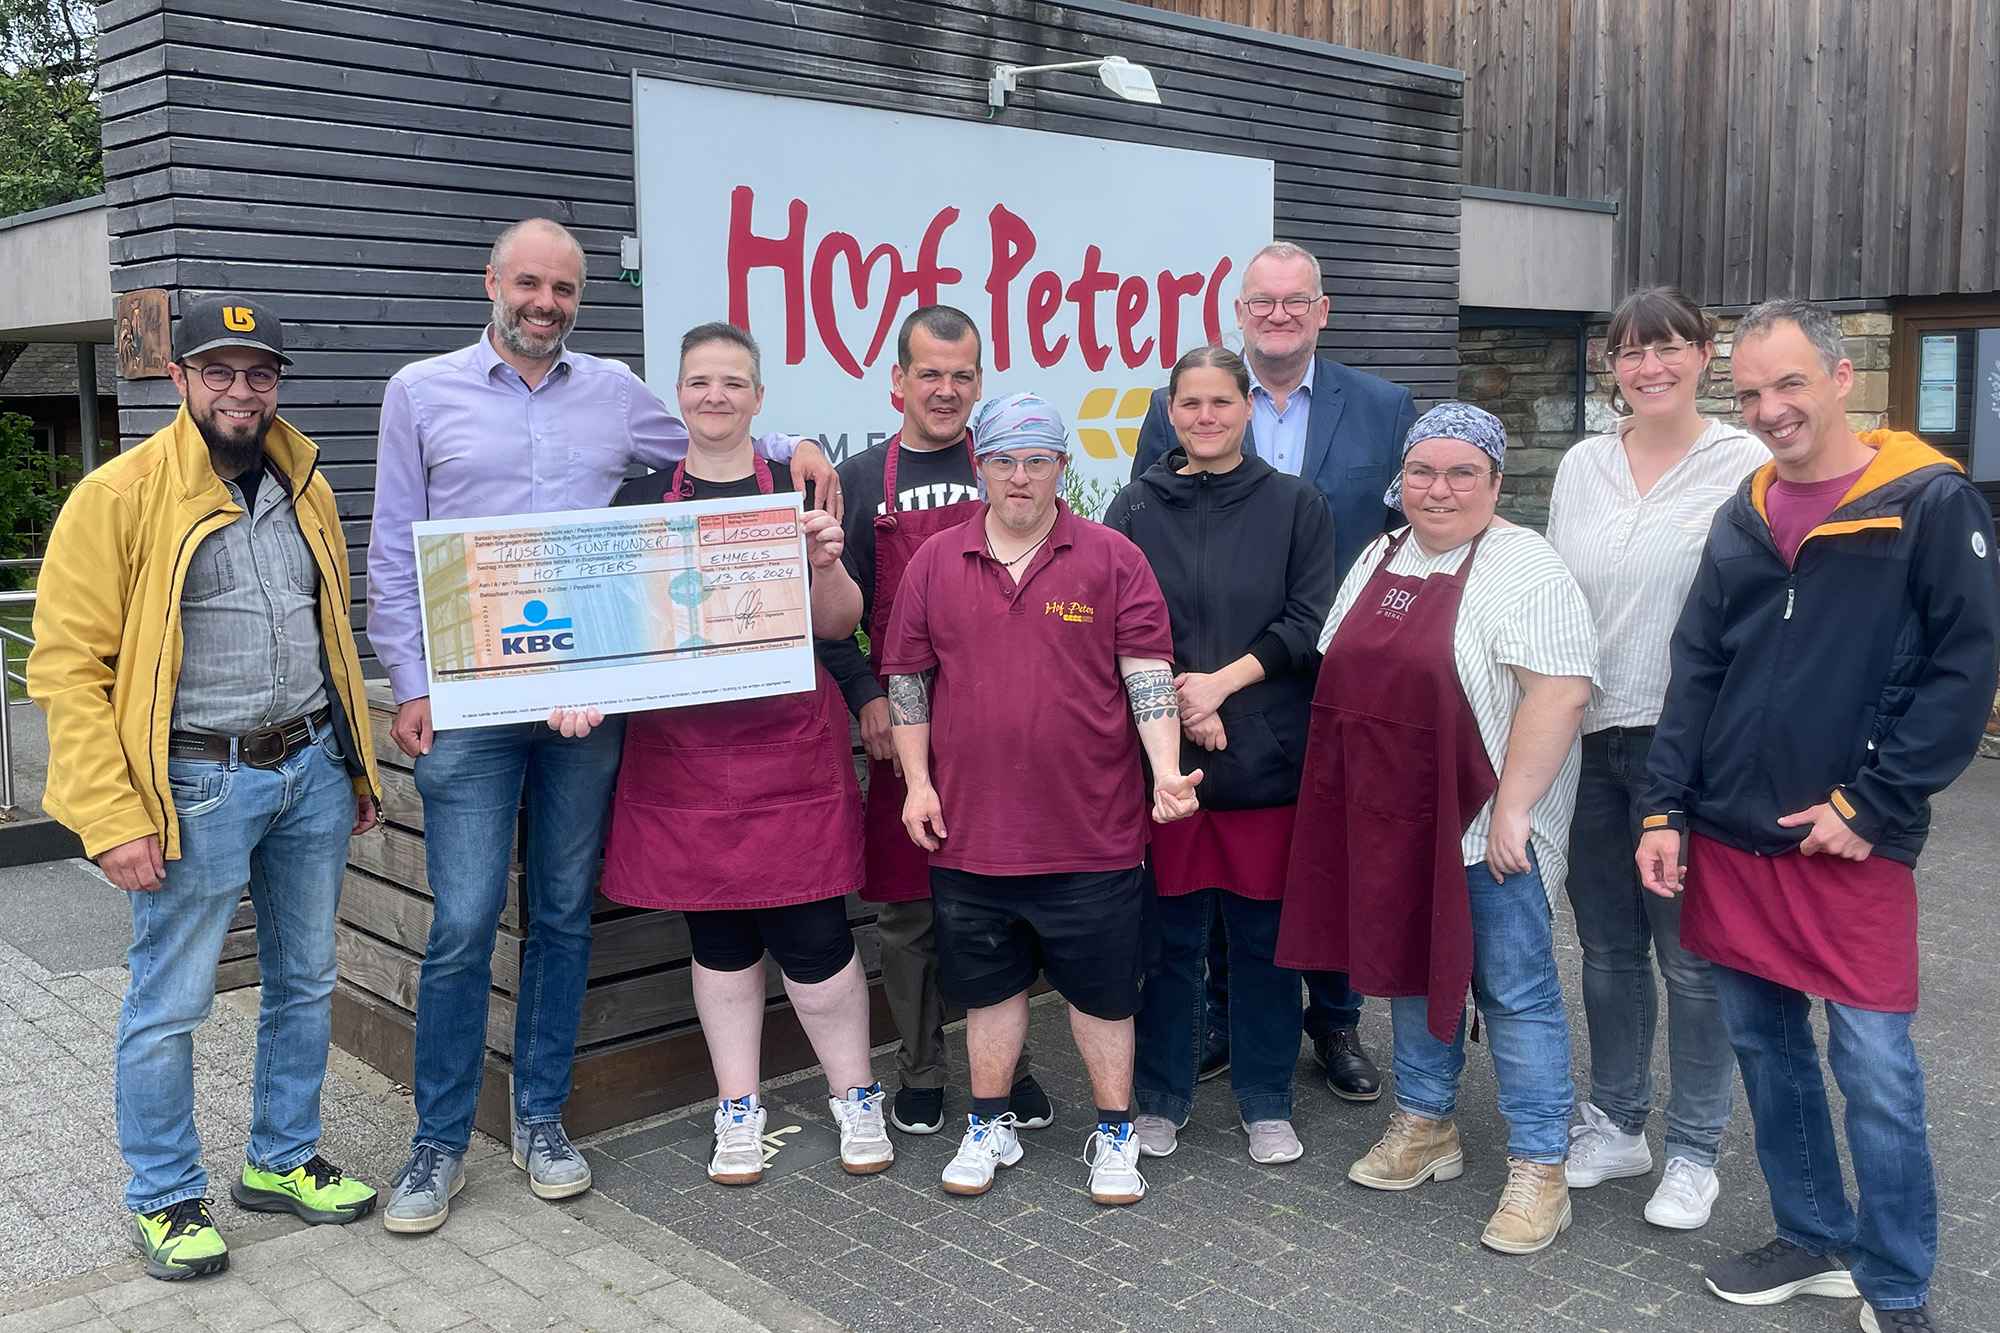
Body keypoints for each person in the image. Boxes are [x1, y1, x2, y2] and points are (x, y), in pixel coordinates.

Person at [365, 218, 839, 1233]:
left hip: (588, 704)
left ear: (581, 298)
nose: (544, 303)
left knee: (566, 915)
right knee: (459, 925)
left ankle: (540, 1117)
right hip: (473, 703)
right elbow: (394, 548)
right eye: (528, 284)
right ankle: (436, 1144)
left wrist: (791, 442)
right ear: (491, 280)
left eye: (564, 290)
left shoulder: (616, 391)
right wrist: (409, 680)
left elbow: (717, 438)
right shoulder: (419, 391)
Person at [1637, 299, 2000, 1333]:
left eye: (1787, 383)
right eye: (1749, 392)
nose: (1768, 409)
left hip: (1849, 838)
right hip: (1729, 830)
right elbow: (1697, 665)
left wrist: (1871, 801)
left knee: (1875, 1072)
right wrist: (1663, 805)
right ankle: (1811, 1238)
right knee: (1765, 1047)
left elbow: (1961, 674)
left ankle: (1894, 1284)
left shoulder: (1929, 502)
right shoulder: (1744, 508)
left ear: (1841, 380)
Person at [31, 296, 383, 1280]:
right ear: (179, 378)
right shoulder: (119, 495)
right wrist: (110, 816)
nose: (241, 389)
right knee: (172, 999)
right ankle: (165, 1195)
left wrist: (350, 759)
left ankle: (279, 1160)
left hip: (308, 768)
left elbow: (329, 631)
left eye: (259, 372)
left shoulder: (303, 480)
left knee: (307, 979)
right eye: (219, 371)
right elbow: (66, 665)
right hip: (196, 780)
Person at [548, 323, 891, 1186]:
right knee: (720, 941)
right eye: (699, 381)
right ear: (679, 394)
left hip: (789, 750)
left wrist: (825, 560)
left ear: (759, 398)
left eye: (732, 382)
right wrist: (582, 691)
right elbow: (607, 632)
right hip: (682, 757)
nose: (715, 396)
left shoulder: (803, 492)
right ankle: (738, 1108)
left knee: (815, 937)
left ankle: (856, 1093)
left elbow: (842, 622)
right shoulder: (636, 502)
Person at [1279, 403, 1595, 1256]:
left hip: (1489, 829)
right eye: (1422, 471)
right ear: (1400, 481)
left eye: (1463, 472)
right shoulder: (1381, 555)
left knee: (1516, 992)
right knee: (1410, 977)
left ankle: (1540, 1165)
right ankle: (1427, 1123)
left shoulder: (1526, 568)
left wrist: (1516, 810)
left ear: (1495, 480)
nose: (1440, 488)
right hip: (1392, 824)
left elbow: (1560, 691)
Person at [882, 393, 1201, 1205]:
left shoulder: (1111, 557)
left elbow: (1147, 673)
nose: (1018, 477)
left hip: (1093, 833)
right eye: (1001, 460)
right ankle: (990, 1124)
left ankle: (1117, 1133)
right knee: (989, 995)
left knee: (1102, 998)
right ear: (977, 465)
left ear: (1063, 465)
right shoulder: (934, 562)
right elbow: (909, 680)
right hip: (971, 833)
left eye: (1036, 460)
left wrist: (1165, 769)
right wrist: (918, 784)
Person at [1131, 241, 1414, 1099]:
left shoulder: (1383, 405)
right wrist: (1193, 685)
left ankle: (1332, 1021)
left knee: (1329, 851)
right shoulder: (1175, 408)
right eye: (1264, 302)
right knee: (1229, 865)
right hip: (1208, 688)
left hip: (1339, 668)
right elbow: (1149, 555)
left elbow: (1411, 533)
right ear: (1240, 312)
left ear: (1322, 310)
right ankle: (1228, 1018)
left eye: (1297, 301)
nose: (1280, 315)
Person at [1544, 287, 1768, 1230]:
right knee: (1604, 946)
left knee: (1693, 959)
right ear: (1614, 366)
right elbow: (1553, 593)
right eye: (1633, 352)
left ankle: (1693, 1149)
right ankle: (1621, 1122)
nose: (1652, 366)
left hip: (1691, 748)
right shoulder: (1585, 464)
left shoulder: (1744, 462)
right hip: (1587, 738)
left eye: (1671, 347)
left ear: (1706, 354)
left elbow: (1760, 617)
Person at [820, 306, 1052, 1137]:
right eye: (930, 373)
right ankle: (920, 1070)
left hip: (1003, 732)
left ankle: (1012, 1065)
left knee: (1005, 902)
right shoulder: (859, 479)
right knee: (910, 916)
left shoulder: (1011, 468)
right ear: (898, 381)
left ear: (981, 382)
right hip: (903, 732)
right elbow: (828, 614)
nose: (946, 390)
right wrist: (865, 692)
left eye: (962, 375)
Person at [1106, 346, 1337, 1166]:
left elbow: (1313, 620)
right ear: (1170, 412)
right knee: (1169, 942)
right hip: (1168, 767)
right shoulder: (1133, 507)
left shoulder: (1295, 504)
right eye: (1189, 403)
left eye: (1220, 402)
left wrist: (1221, 688)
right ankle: (1162, 1095)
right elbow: (1120, 625)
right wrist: (1180, 700)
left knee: (1265, 942)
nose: (1205, 417)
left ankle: (1267, 1098)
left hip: (1265, 763)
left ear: (1248, 408)